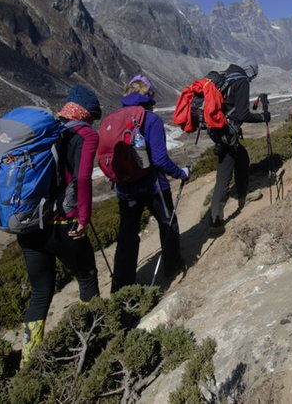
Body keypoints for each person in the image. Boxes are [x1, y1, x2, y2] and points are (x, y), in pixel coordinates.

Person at [19, 85, 102, 365]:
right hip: (63, 224)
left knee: (40, 293)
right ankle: (91, 346)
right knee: (87, 278)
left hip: (30, 226)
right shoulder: (86, 134)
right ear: (88, 114)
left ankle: (28, 362)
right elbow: (82, 179)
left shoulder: (43, 133)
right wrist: (84, 217)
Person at [112, 76, 190, 290]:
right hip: (153, 185)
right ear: (149, 96)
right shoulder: (151, 119)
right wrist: (180, 173)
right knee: (168, 223)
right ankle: (172, 267)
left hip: (125, 187)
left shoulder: (115, 117)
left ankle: (121, 286)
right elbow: (159, 159)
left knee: (127, 235)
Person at [209, 58, 268, 232]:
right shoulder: (241, 81)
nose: (252, 79)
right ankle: (215, 222)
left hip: (219, 129)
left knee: (242, 158)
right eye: (253, 75)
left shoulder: (226, 76)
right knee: (224, 176)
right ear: (249, 71)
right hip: (227, 132)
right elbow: (242, 114)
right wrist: (263, 117)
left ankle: (243, 194)